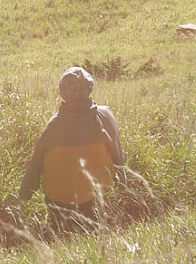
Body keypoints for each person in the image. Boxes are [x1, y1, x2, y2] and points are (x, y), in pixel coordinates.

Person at [19, 66, 126, 234]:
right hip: (93, 191)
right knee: (92, 233)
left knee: (60, 234)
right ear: (89, 88)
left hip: (57, 196)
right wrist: (123, 182)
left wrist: (25, 193)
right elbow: (117, 153)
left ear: (63, 91)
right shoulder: (105, 115)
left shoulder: (54, 125)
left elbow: (36, 162)